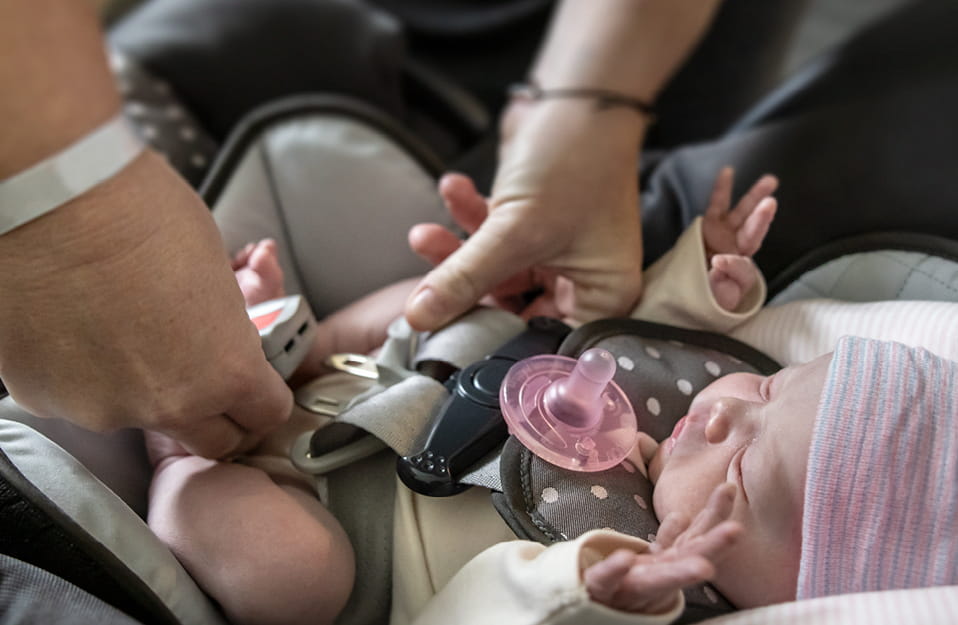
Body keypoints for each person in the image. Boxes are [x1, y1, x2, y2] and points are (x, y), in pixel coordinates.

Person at [145, 167, 777, 625]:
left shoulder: (646, 576)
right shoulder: (681, 408)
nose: (728, 412)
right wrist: (704, 280)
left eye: (746, 470)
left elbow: (486, 609)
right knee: (463, 311)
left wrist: (598, 600)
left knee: (291, 578)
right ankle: (284, 341)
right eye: (771, 387)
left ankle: (181, 452)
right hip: (376, 375)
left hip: (324, 514)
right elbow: (642, 334)